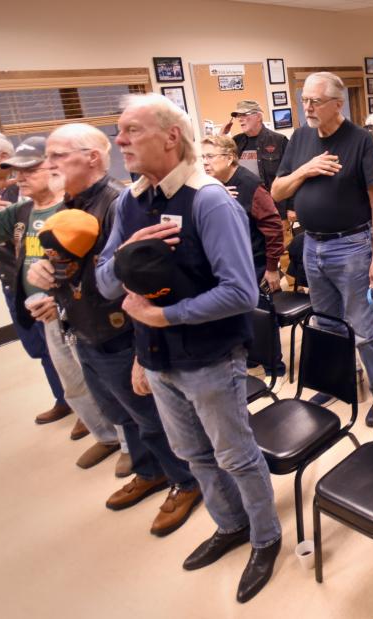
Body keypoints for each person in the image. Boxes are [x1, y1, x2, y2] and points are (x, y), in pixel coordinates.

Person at [95, 93, 282, 603]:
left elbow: (241, 293)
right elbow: (106, 283)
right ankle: (230, 525)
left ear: (171, 137)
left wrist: (165, 316)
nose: (120, 140)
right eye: (119, 131)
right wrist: (128, 254)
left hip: (210, 358)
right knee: (193, 454)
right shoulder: (129, 203)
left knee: (235, 455)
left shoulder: (209, 200)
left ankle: (265, 537)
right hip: (157, 359)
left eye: (132, 130)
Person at [27, 123, 201, 535]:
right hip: (84, 325)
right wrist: (44, 274)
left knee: (151, 416)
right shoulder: (69, 203)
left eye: (58, 155)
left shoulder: (118, 204)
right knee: (121, 413)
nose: (49, 164)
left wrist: (144, 351)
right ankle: (149, 470)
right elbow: (69, 261)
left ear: (92, 157)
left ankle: (185, 480)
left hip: (121, 331)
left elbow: (143, 281)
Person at [0, 137, 121, 470]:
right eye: (17, 172)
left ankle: (130, 446)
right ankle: (105, 437)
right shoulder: (23, 211)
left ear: (53, 168)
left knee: (105, 383)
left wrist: (58, 299)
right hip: (44, 313)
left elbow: (95, 266)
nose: (20, 178)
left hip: (77, 309)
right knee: (73, 385)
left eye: (29, 170)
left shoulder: (74, 207)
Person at [270, 72, 373, 414]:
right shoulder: (300, 137)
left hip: (352, 246)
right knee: (326, 323)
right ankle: (340, 384)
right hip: (312, 245)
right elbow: (277, 191)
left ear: (338, 104)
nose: (307, 107)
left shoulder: (360, 140)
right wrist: (306, 169)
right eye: (304, 100)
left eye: (315, 101)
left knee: (362, 330)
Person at [0, 131, 70, 426]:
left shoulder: (26, 198)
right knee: (40, 348)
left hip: (51, 289)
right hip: (16, 286)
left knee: (64, 352)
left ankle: (79, 404)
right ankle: (64, 399)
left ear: (2, 158)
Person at [201, 134, 287, 388]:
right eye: (202, 157)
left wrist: (272, 268)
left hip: (254, 265)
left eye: (210, 156)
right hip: (229, 266)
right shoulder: (212, 186)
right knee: (238, 317)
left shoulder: (250, 185)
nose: (204, 162)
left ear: (230, 158)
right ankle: (252, 360)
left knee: (260, 317)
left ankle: (275, 369)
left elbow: (273, 226)